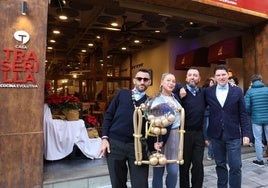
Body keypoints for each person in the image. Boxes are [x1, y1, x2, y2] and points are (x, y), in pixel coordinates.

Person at [99, 68, 152, 188]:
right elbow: (109, 115)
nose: (142, 82)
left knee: (141, 184)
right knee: (118, 184)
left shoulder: (150, 103)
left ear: (149, 82)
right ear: (134, 81)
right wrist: (104, 138)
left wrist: (154, 147)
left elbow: (153, 127)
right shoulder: (122, 94)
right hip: (115, 144)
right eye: (139, 79)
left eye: (145, 79)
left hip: (138, 146)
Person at [205, 64, 251, 188]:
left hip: (233, 135)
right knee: (220, 165)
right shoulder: (208, 92)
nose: (221, 77)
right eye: (218, 75)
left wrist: (246, 133)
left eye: (223, 74)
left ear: (228, 75)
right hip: (216, 135)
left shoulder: (236, 90)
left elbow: (243, 113)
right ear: (214, 77)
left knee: (235, 166)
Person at [173, 67, 206, 188]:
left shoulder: (203, 92)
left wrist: (231, 85)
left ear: (199, 78)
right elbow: (170, 86)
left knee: (198, 164)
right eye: (190, 75)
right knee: (184, 165)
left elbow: (215, 90)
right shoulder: (180, 92)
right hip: (183, 133)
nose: (192, 77)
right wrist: (180, 86)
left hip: (198, 134)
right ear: (186, 78)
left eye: (195, 75)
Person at [151, 73, 182, 188]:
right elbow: (152, 121)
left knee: (173, 171)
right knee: (158, 170)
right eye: (168, 80)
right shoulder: (156, 99)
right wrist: (155, 139)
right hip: (160, 136)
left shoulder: (175, 97)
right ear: (162, 83)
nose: (171, 83)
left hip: (175, 136)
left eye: (173, 81)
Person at [244, 74, 268, 167]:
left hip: (256, 118)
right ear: (261, 80)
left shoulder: (250, 91)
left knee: (258, 139)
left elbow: (247, 107)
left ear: (252, 82)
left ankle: (260, 160)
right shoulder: (267, 90)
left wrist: (251, 114)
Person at [203, 77, 215, 160]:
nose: (212, 84)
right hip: (206, 113)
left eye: (213, 82)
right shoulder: (204, 91)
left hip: (213, 113)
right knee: (206, 127)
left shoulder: (215, 90)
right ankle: (206, 139)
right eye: (211, 82)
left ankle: (211, 153)